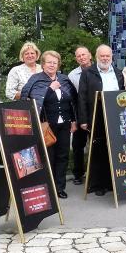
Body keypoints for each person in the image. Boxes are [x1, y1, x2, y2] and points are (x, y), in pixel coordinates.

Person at [21, 51, 77, 199]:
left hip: (64, 125)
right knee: (48, 157)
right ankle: (49, 187)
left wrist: (73, 120)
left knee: (63, 156)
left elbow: (73, 102)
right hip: (46, 125)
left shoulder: (64, 79)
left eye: (55, 62)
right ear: (43, 64)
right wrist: (50, 89)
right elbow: (28, 100)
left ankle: (60, 187)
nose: (52, 65)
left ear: (58, 64)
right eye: (49, 62)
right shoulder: (36, 79)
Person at [77, 45, 124, 196]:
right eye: (102, 56)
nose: (105, 58)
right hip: (96, 118)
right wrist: (83, 120)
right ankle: (99, 185)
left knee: (116, 149)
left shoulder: (118, 72)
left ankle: (113, 182)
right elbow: (82, 97)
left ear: (112, 57)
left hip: (115, 117)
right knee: (99, 151)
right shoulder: (88, 73)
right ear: (96, 57)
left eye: (107, 56)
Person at [67, 46, 93, 186]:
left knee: (97, 145)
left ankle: (95, 173)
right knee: (78, 145)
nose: (82, 57)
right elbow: (73, 99)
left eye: (84, 54)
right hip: (80, 114)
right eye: (78, 56)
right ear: (76, 59)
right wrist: (75, 119)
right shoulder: (72, 75)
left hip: (96, 112)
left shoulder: (99, 70)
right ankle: (78, 174)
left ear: (90, 55)